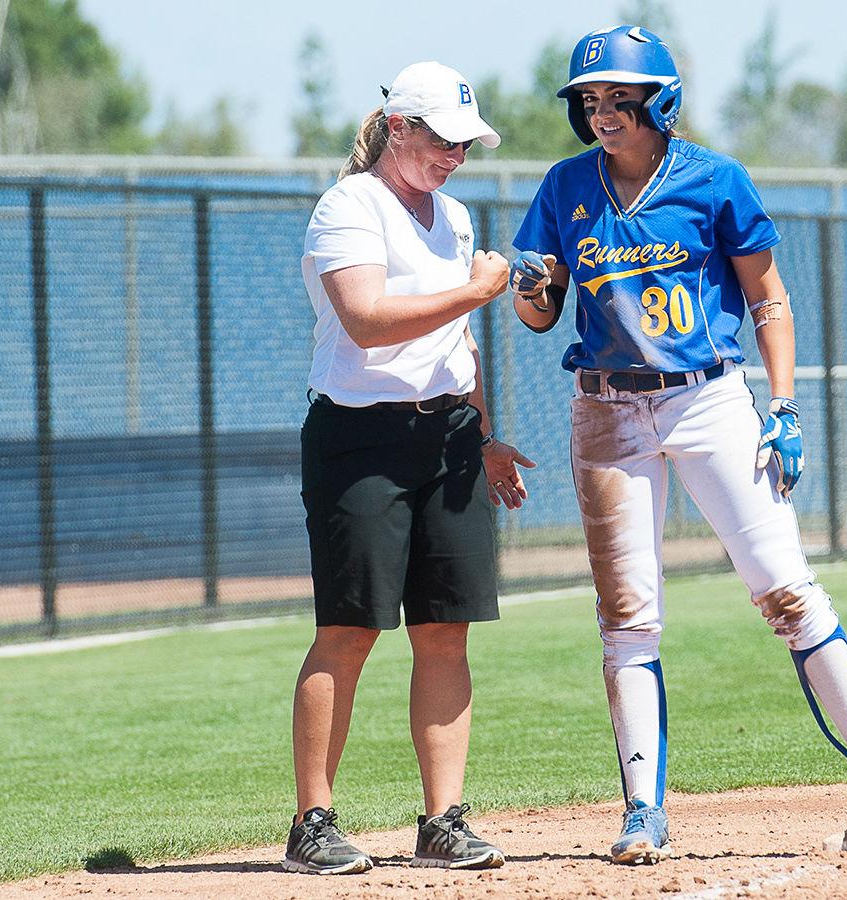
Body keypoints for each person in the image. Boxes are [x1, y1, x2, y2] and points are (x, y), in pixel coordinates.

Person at [509, 26, 847, 865]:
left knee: (785, 589)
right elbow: (540, 312)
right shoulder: (564, 186)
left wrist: (786, 405)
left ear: (661, 100)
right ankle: (643, 812)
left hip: (709, 402)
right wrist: (533, 289)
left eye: (620, 97)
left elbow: (768, 298)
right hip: (606, 413)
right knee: (627, 621)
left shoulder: (715, 180)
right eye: (590, 100)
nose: (603, 112)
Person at [285, 60, 534, 876]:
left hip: (449, 439)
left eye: (466, 143)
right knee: (350, 630)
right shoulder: (349, 206)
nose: (455, 155)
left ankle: (442, 821)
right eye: (442, 139)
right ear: (399, 129)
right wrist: (476, 292)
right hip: (360, 440)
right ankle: (313, 824)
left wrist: (487, 436)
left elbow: (457, 348)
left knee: (445, 630)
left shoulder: (454, 218)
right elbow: (366, 322)